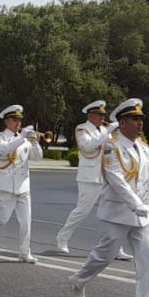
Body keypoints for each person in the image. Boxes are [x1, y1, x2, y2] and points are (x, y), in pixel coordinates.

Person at [66, 98, 149, 297]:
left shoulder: (144, 147)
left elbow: (145, 182)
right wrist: (136, 205)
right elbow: (115, 178)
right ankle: (79, 280)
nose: (140, 123)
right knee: (104, 255)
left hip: (143, 214)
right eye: (134, 119)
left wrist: (145, 208)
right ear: (121, 123)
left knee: (146, 258)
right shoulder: (111, 146)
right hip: (118, 213)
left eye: (141, 119)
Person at [56, 99, 130, 261]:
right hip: (89, 177)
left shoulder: (104, 130)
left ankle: (116, 248)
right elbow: (87, 147)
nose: (102, 118)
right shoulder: (82, 129)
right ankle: (63, 237)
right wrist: (107, 131)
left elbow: (112, 150)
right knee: (82, 211)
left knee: (111, 212)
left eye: (103, 115)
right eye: (98, 115)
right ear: (91, 116)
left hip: (106, 176)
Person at [0, 105, 41, 263]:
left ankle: (25, 252)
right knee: (1, 219)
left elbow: (37, 157)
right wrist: (22, 137)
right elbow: (3, 151)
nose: (18, 123)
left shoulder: (24, 138)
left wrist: (34, 142)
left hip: (23, 184)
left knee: (26, 220)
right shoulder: (0, 137)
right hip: (6, 185)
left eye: (19, 120)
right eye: (14, 120)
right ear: (6, 122)